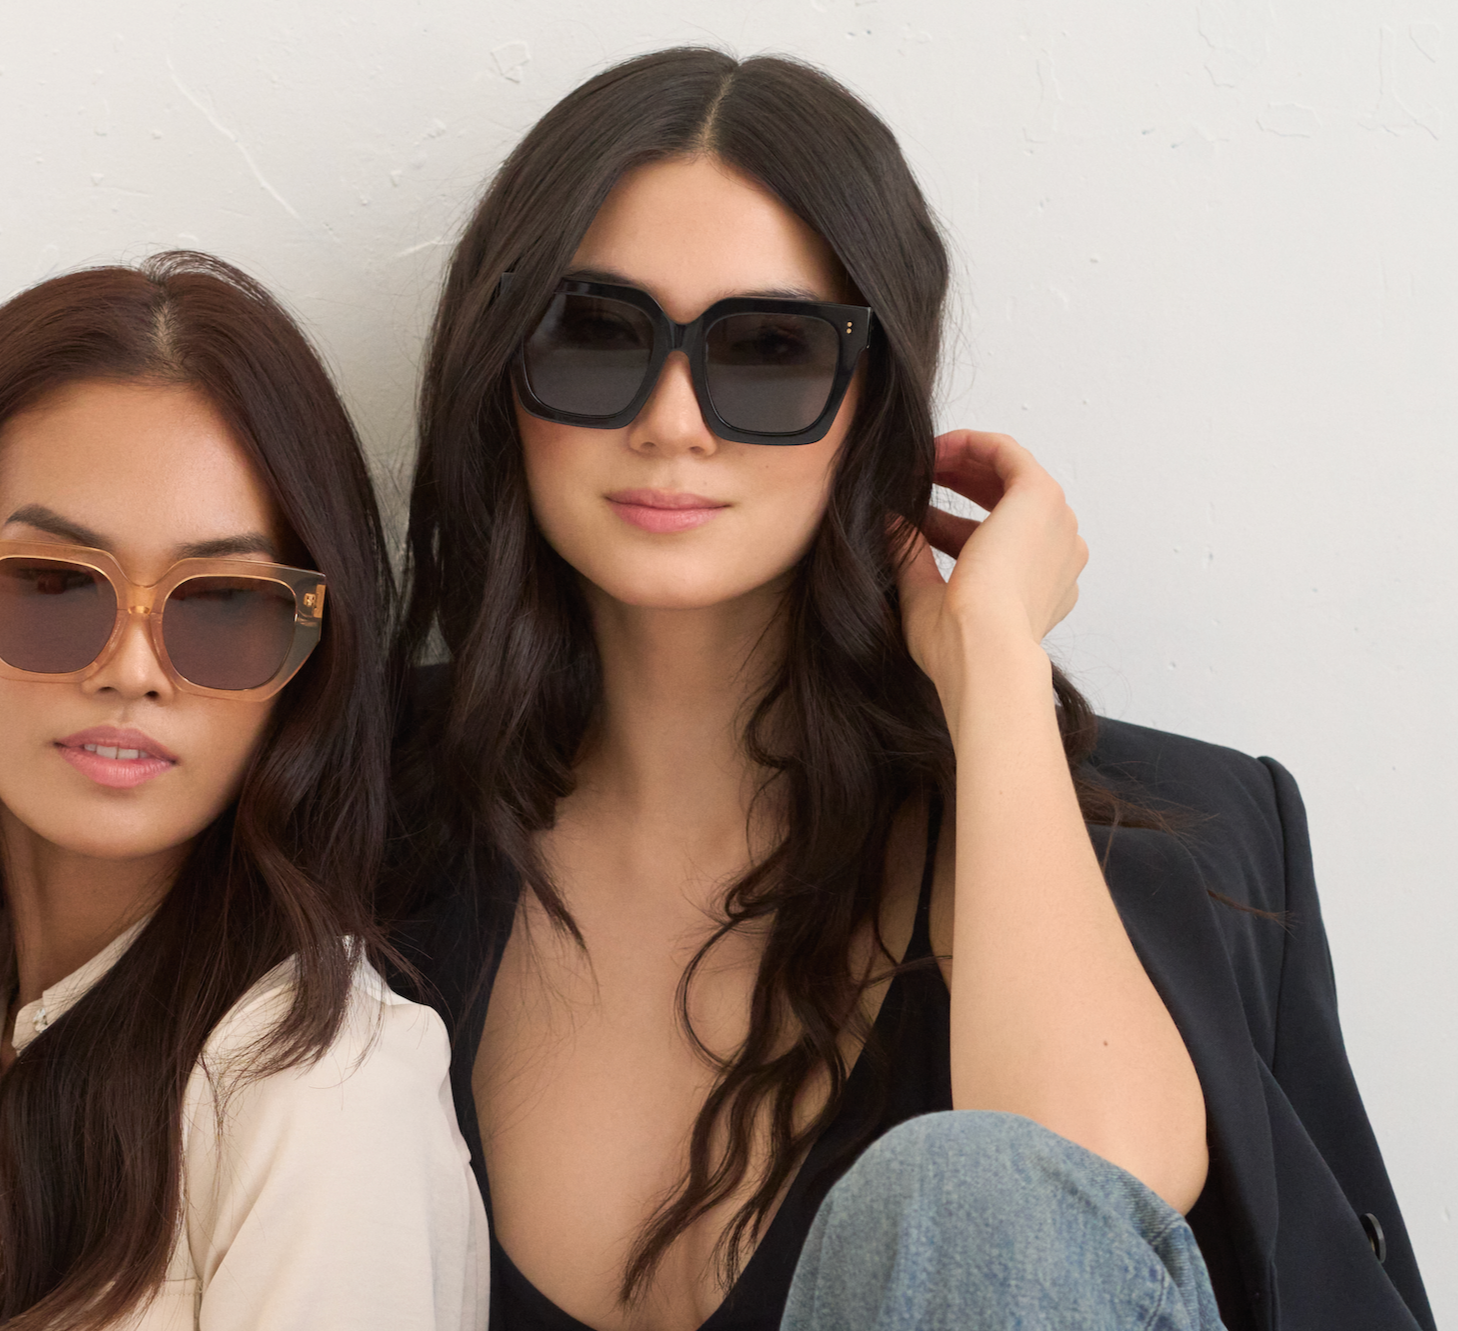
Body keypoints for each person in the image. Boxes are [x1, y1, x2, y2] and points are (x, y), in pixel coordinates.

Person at [387, 48, 1434, 1331]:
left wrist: (994, 667)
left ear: (871, 401)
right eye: (595, 332)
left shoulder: (1172, 831)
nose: (672, 419)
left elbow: (1078, 1212)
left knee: (972, 1190)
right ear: (502, 367)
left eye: (767, 350)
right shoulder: (358, 810)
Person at [0, 252, 487, 1330]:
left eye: (223, 604)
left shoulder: (326, 1095)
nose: (132, 667)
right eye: (53, 586)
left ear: (303, 674)